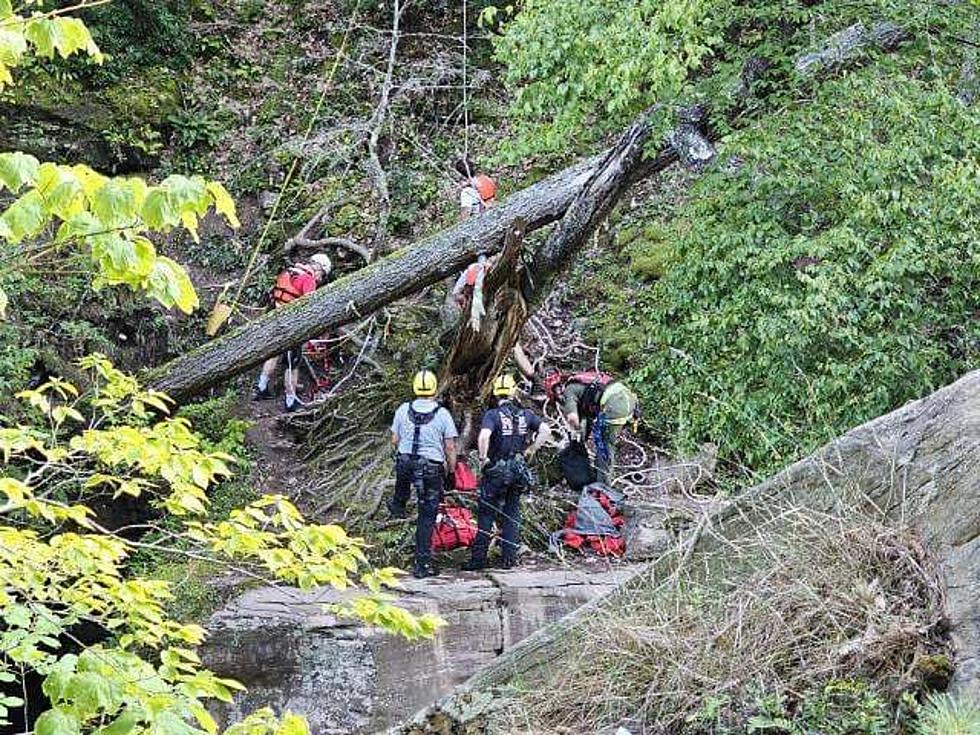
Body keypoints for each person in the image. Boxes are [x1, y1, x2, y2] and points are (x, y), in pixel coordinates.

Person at [464, 374, 551, 571]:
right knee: (512, 513)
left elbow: (484, 436)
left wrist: (483, 458)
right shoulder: (525, 415)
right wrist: (532, 449)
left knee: (486, 514)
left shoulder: (492, 415)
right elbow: (545, 430)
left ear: (496, 394)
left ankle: (478, 560)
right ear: (513, 392)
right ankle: (509, 559)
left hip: (496, 469)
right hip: (517, 470)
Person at [388, 369, 459, 579]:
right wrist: (451, 471)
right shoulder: (443, 414)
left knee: (402, 483)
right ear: (435, 388)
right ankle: (422, 564)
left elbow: (394, 440)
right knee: (427, 516)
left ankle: (398, 505)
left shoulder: (403, 409)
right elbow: (450, 447)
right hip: (431, 468)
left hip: (405, 463)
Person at [253, 253, 332, 412]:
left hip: (276, 322)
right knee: (293, 364)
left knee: (273, 355)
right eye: (322, 275)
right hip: (292, 328)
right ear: (318, 268)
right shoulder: (308, 279)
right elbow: (310, 307)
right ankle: (290, 401)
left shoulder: (288, 272)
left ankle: (261, 388)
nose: (319, 279)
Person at [544, 368, 638, 483]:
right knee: (603, 439)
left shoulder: (569, 391)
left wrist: (576, 431)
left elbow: (572, 418)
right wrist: (580, 439)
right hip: (627, 396)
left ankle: (603, 486)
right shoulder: (580, 381)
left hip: (615, 405)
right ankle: (599, 473)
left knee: (604, 446)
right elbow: (585, 417)